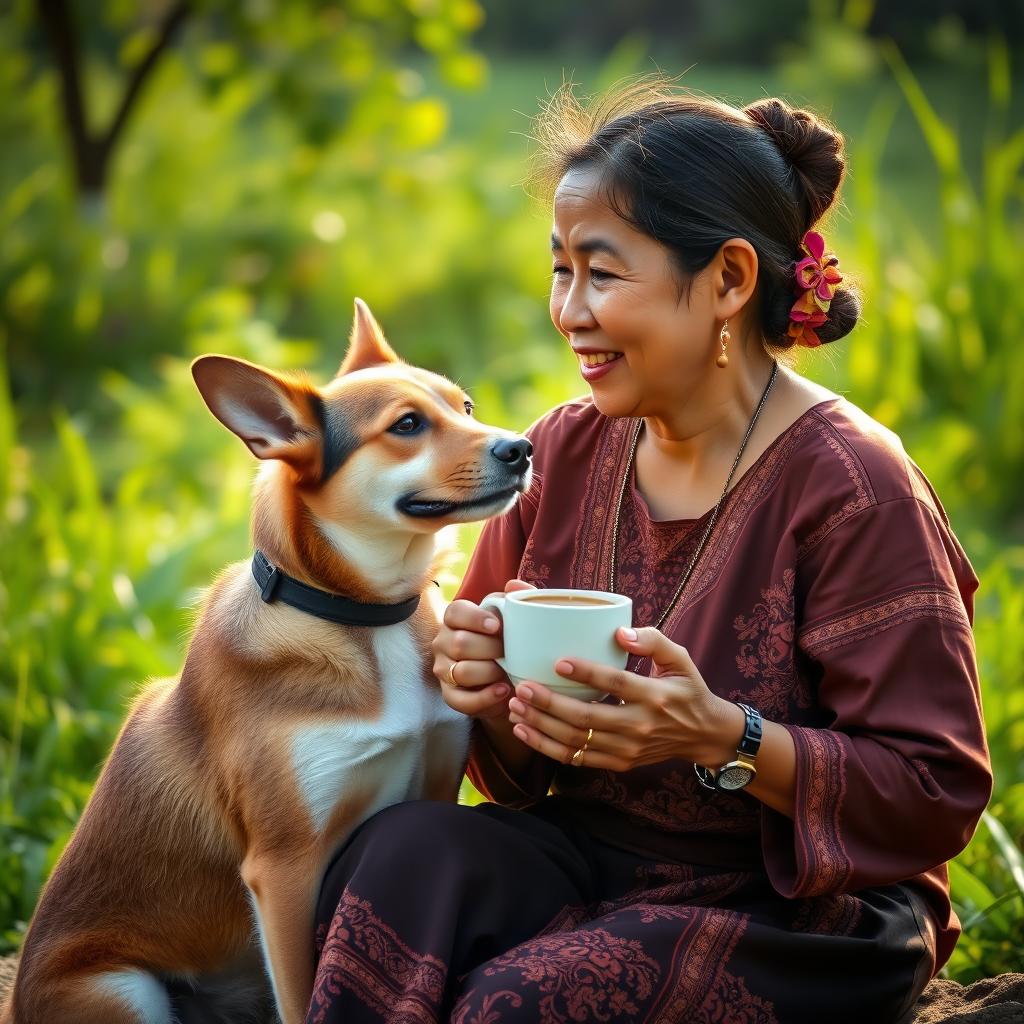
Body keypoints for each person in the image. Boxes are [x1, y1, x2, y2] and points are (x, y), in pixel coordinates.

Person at [305, 81, 992, 1024]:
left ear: (730, 281)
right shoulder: (563, 451)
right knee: (388, 866)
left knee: (514, 1005)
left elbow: (932, 790)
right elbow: (511, 767)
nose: (569, 311)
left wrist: (727, 737)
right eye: (560, 271)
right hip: (588, 851)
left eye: (603, 273)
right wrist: (485, 692)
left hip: (798, 907)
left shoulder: (853, 485)